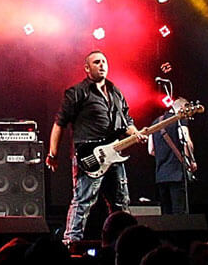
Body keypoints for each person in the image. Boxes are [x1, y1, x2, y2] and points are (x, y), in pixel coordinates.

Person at [46, 50, 144, 247]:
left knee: (120, 202)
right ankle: (71, 243)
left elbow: (126, 123)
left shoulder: (116, 93)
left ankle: (122, 243)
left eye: (104, 62)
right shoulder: (77, 92)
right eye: (97, 62)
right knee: (83, 201)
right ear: (87, 68)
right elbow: (59, 124)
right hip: (89, 155)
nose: (102, 65)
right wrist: (52, 154)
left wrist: (136, 133)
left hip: (114, 155)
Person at [147, 97, 196, 214]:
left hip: (161, 175)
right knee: (179, 213)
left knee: (166, 214)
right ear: (183, 108)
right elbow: (185, 141)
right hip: (177, 173)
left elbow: (151, 150)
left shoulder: (155, 123)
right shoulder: (180, 120)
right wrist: (191, 160)